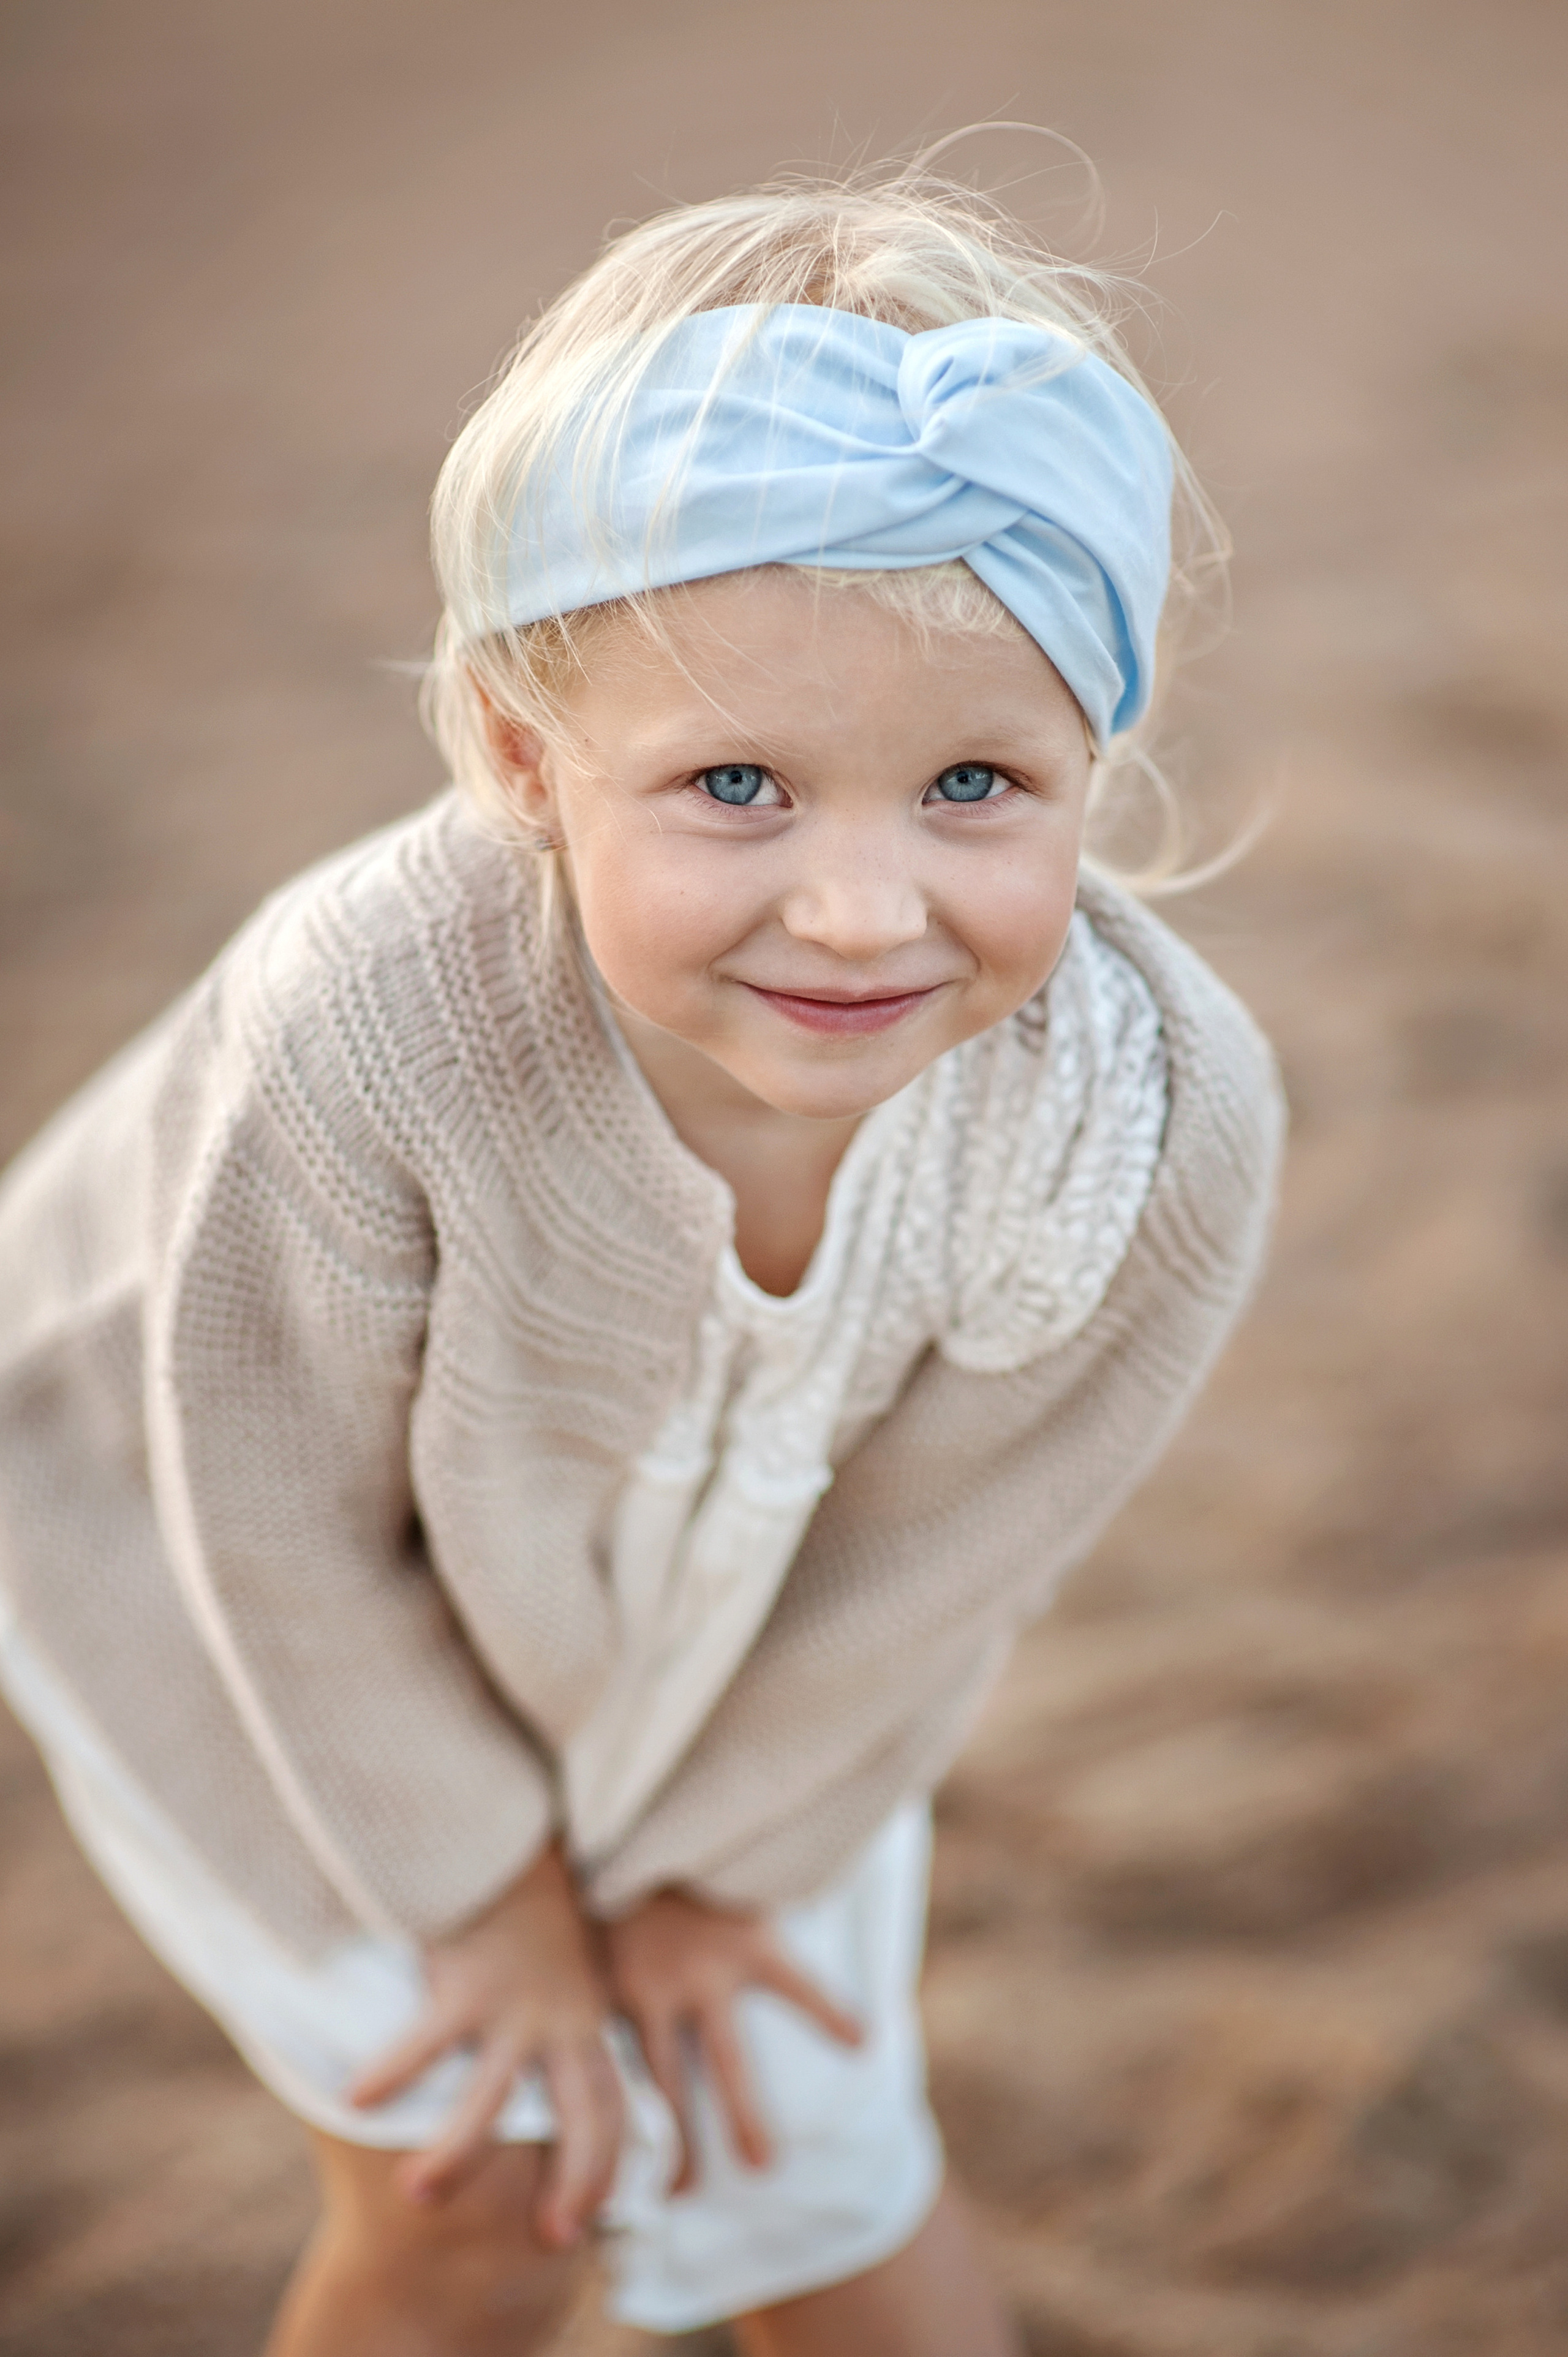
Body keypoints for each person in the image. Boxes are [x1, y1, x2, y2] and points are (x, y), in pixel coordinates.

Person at [0, 160, 1283, 2355]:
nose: (863, 912)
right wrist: (488, 1898)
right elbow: (273, 1524)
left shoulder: (1145, 1119)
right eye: (738, 788)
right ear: (529, 758)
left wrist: (710, 1877)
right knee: (492, 2186)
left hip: (746, 1653)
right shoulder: (368, 1035)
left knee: (805, 2143)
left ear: (1097, 749)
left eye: (977, 784)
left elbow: (940, 1562)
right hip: (212, 1567)